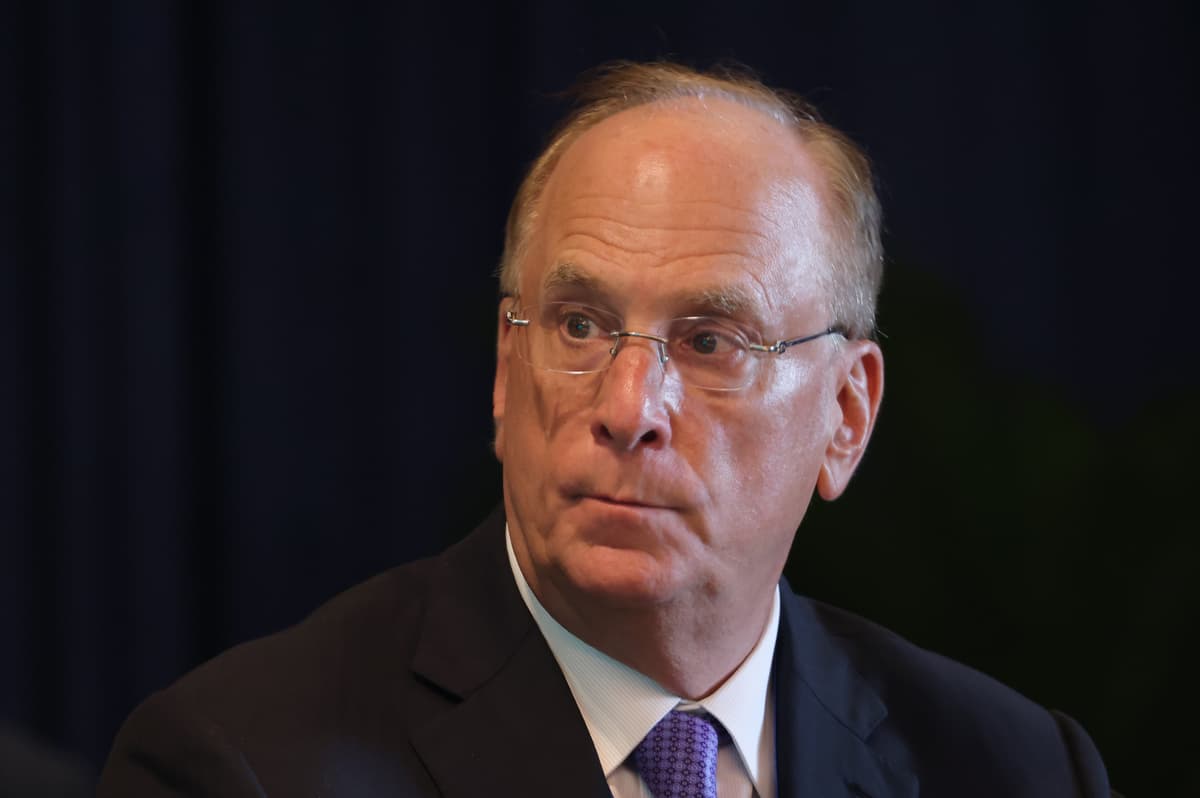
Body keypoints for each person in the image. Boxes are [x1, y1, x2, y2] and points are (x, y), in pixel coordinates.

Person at [99, 62, 1115, 797]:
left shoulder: (1017, 770)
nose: (629, 409)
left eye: (712, 342)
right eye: (579, 326)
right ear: (507, 371)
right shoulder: (238, 765)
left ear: (846, 415)